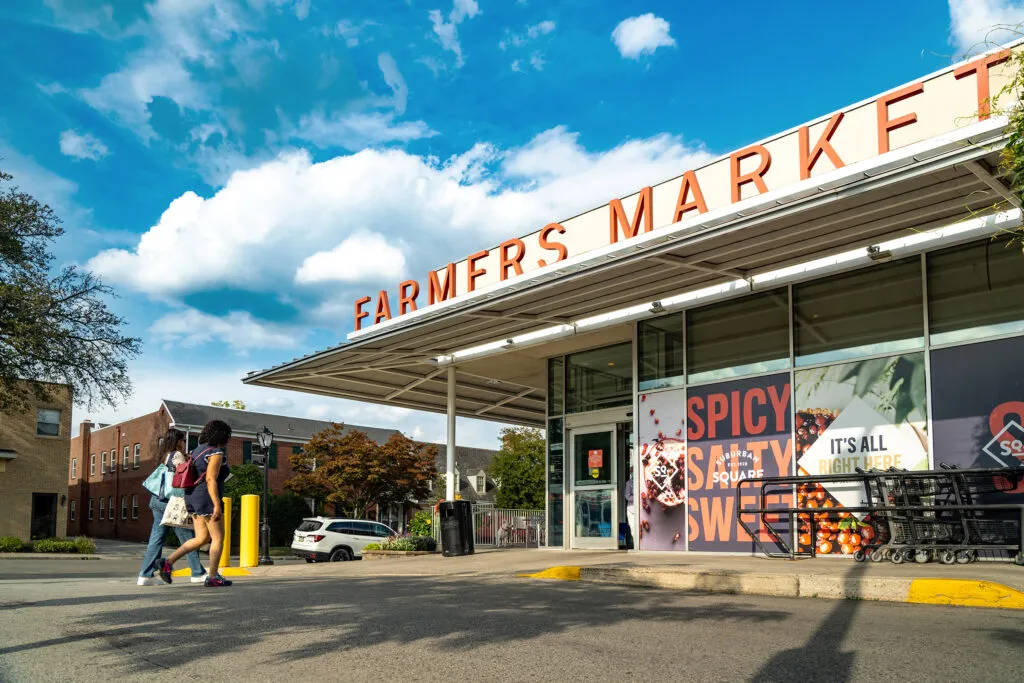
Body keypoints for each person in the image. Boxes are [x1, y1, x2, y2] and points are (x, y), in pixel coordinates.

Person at [159, 419, 233, 587]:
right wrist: (216, 505)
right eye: (228, 436)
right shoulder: (215, 453)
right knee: (218, 538)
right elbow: (210, 479)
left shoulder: (196, 451)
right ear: (221, 435)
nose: (229, 439)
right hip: (206, 497)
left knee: (201, 538)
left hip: (191, 496)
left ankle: (167, 563)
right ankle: (213, 577)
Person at [138, 428, 207, 586]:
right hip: (172, 502)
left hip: (157, 500)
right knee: (188, 538)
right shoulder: (176, 455)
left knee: (156, 539)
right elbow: (183, 476)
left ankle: (145, 575)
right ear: (178, 441)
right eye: (183, 440)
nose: (184, 442)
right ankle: (197, 572)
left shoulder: (164, 455)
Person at [624, 465, 636, 549]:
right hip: (632, 509)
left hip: (641, 510)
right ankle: (636, 545)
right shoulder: (629, 483)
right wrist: (637, 498)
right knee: (633, 528)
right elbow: (627, 496)